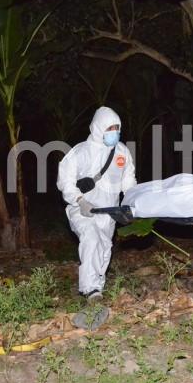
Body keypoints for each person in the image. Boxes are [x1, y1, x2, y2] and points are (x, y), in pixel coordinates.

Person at [57, 106, 137, 302]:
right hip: (83, 210)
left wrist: (132, 201)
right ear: (98, 128)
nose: (114, 132)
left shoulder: (122, 151)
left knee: (104, 247)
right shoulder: (81, 152)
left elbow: (128, 179)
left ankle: (98, 287)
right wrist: (79, 200)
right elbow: (65, 181)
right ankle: (90, 289)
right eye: (110, 128)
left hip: (109, 211)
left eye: (117, 128)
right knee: (91, 239)